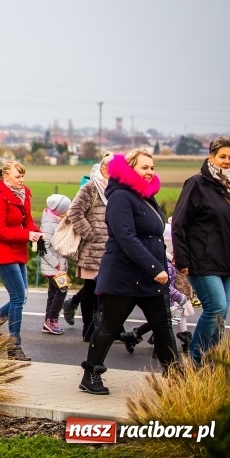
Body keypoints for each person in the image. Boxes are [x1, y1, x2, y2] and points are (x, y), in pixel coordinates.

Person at [79, 149, 177, 395]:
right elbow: (126, 238)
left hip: (150, 277)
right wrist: (155, 268)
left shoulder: (146, 198)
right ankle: (91, 374)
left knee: (163, 326)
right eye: (144, 167)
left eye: (152, 168)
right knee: (109, 327)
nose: (150, 172)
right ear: (129, 169)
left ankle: (177, 377)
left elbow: (155, 237)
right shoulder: (121, 197)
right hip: (124, 275)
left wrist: (162, 265)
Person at [172, 136, 230, 366]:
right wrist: (183, 259)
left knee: (222, 314)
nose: (227, 161)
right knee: (215, 306)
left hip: (226, 261)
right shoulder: (197, 184)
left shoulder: (228, 188)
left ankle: (212, 360)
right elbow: (179, 223)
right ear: (211, 157)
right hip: (202, 260)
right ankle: (196, 359)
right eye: (223, 156)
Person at [0, 160, 42, 361]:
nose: (22, 180)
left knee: (22, 297)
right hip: (3, 252)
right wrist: (27, 236)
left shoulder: (24, 193)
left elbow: (27, 221)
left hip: (18, 250)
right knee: (18, 296)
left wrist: (36, 233)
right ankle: (14, 345)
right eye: (18, 176)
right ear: (5, 177)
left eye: (23, 176)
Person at [62, 152, 113, 340]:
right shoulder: (91, 188)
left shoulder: (117, 189)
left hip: (111, 248)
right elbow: (74, 212)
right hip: (92, 248)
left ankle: (104, 327)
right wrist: (90, 234)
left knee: (108, 289)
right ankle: (88, 328)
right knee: (91, 288)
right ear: (103, 169)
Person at [40, 194, 72, 335]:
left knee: (53, 293)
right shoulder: (48, 224)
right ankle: (52, 319)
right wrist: (57, 263)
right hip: (53, 266)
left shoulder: (56, 220)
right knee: (62, 290)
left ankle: (48, 321)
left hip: (57, 266)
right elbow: (43, 248)